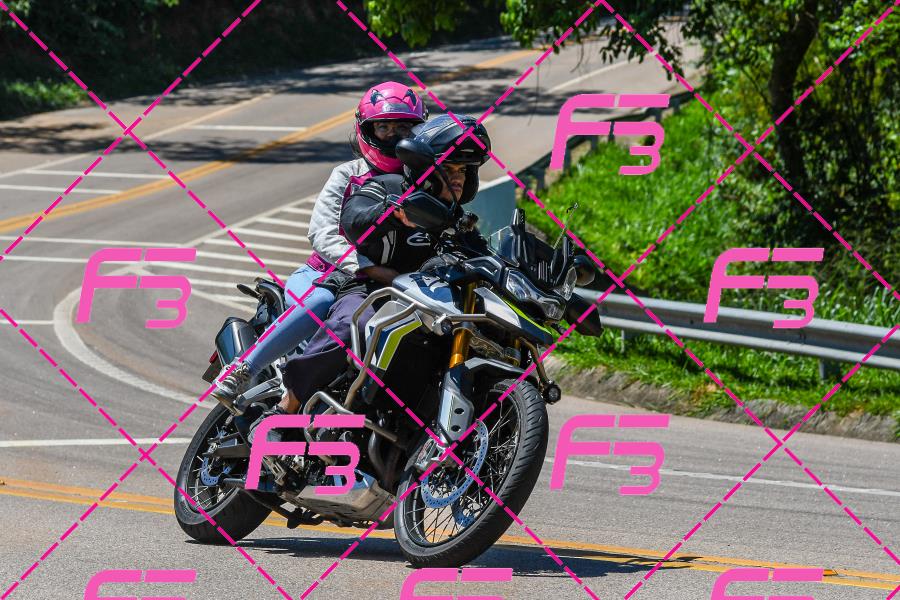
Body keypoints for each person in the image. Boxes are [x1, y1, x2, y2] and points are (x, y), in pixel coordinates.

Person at [248, 114, 492, 439]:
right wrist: (392, 214)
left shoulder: (458, 222)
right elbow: (354, 220)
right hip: (366, 288)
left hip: (421, 302)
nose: (457, 178)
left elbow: (485, 257)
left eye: (463, 171)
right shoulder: (389, 187)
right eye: (449, 170)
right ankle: (286, 406)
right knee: (356, 322)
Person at [212, 82, 428, 408]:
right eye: (383, 127)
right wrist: (366, 267)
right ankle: (242, 371)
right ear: (366, 130)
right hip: (323, 275)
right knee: (321, 301)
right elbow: (322, 233)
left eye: (403, 128)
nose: (393, 136)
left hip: (389, 284)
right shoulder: (348, 175)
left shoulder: (424, 183)